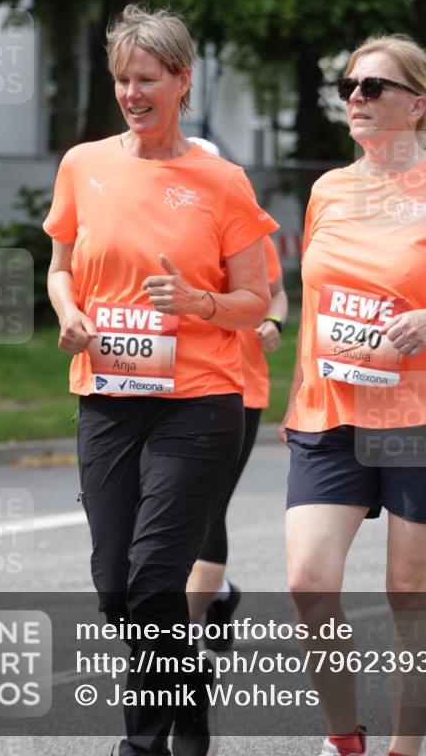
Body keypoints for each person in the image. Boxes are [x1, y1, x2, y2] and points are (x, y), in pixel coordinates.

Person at [43, 5, 278, 756]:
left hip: (199, 405)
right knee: (117, 589)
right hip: (107, 398)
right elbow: (56, 268)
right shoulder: (83, 164)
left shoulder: (220, 180)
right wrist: (68, 312)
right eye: (121, 80)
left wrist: (198, 302)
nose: (132, 93)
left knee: (153, 581)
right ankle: (191, 688)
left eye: (147, 79)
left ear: (182, 80)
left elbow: (256, 301)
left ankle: (141, 747)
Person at [281, 34, 426, 756]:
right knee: (307, 582)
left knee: (409, 596)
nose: (355, 97)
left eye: (372, 87)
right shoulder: (326, 190)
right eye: (348, 85)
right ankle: (341, 738)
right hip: (332, 412)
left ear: (416, 104)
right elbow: (316, 307)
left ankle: (402, 751)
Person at [185, 136, 288, 641]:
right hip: (168, 385)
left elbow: (279, 293)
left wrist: (273, 322)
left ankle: (182, 633)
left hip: (237, 386)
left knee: (207, 505)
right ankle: (219, 592)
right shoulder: (156, 226)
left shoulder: (245, 227)